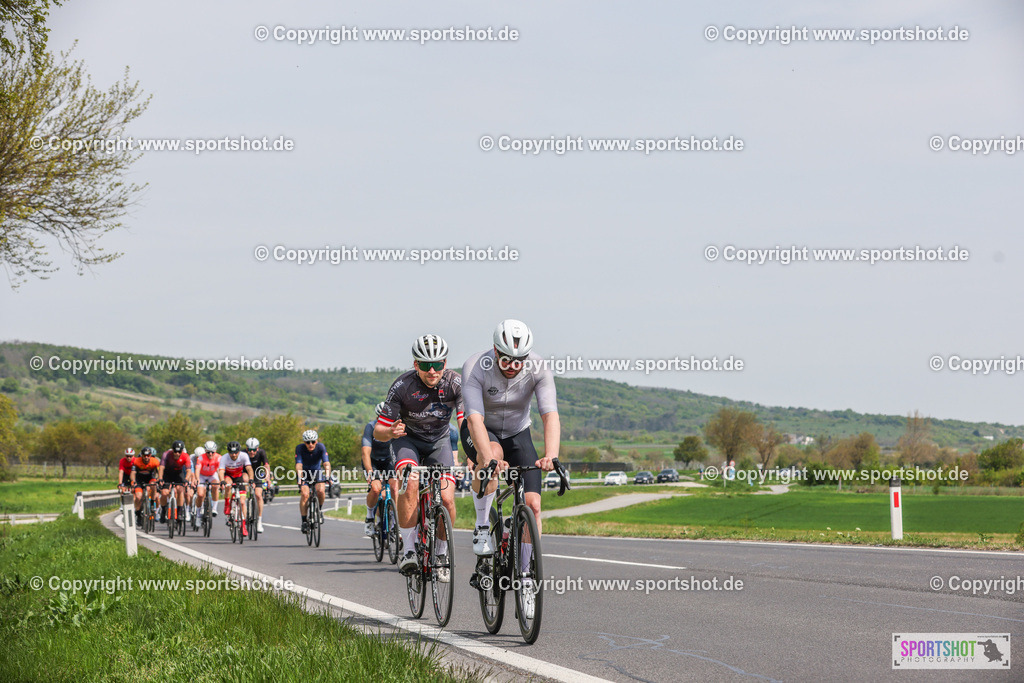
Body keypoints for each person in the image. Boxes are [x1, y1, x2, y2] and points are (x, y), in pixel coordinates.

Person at [462, 319, 560, 619]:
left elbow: (550, 415)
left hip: (519, 432)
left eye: (519, 360)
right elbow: (475, 420)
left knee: (533, 504)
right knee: (490, 455)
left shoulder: (539, 368)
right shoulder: (475, 366)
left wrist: (551, 455)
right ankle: (482, 526)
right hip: (482, 431)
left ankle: (527, 579)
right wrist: (487, 457)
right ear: (495, 350)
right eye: (506, 359)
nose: (512, 365)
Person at [374, 334, 463, 581]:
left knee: (446, 497)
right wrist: (390, 431)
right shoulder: (402, 386)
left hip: (439, 442)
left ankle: (443, 554)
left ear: (445, 362)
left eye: (438, 364)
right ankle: (409, 549)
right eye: (425, 365)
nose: (432, 370)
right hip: (408, 441)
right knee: (410, 481)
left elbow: (466, 422)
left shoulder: (456, 384)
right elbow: (378, 432)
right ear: (416, 365)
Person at [362, 403, 397, 538]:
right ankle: (370, 517)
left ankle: (394, 522)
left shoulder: (394, 428)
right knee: (376, 489)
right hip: (373, 462)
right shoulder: (371, 427)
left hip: (388, 461)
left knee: (394, 488)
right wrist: (370, 472)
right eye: (381, 417)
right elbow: (365, 452)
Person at [295, 429, 330, 534]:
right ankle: (304, 521)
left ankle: (319, 510)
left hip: (317, 472)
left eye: (313, 442)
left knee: (321, 491)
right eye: (308, 442)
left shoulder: (321, 447)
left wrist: (327, 476)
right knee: (305, 494)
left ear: (316, 441)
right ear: (304, 443)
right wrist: (300, 477)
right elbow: (298, 465)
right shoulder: (300, 448)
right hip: (304, 473)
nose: (310, 444)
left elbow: (326, 463)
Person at [218, 441, 254, 535]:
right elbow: (221, 471)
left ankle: (243, 525)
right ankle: (227, 503)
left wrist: (251, 479)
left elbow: (249, 468)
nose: (233, 455)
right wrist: (222, 480)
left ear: (239, 451)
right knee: (228, 484)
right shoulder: (224, 457)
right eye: (231, 453)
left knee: (242, 502)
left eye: (235, 453)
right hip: (228, 475)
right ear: (228, 452)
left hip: (238, 476)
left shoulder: (244, 456)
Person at [158, 440, 193, 525]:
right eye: (175, 451)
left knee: (180, 490)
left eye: (179, 451)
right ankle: (163, 510)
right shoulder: (166, 454)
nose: (177, 453)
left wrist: (186, 479)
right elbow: (161, 468)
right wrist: (160, 478)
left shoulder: (185, 456)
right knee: (164, 493)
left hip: (178, 474)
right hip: (167, 474)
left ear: (182, 450)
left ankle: (180, 512)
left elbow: (188, 470)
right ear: (172, 450)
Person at [130, 447, 161, 525]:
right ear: (142, 455)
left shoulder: (155, 461)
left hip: (150, 478)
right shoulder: (136, 461)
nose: (146, 457)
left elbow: (159, 472)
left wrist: (159, 479)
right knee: (138, 497)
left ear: (150, 455)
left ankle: (152, 503)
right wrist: (133, 481)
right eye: (144, 455)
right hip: (139, 480)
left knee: (153, 486)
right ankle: (138, 513)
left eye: (148, 455)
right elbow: (133, 473)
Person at [245, 437, 270, 533]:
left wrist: (267, 478)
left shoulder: (261, 453)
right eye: (249, 450)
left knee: (258, 495)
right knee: (245, 478)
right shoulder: (243, 453)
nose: (251, 452)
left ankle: (259, 520)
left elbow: (266, 465)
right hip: (246, 473)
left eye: (254, 450)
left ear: (257, 449)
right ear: (246, 449)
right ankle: (246, 497)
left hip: (257, 474)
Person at [194, 445, 221, 521]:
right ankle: (198, 514)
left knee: (215, 486)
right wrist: (197, 478)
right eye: (208, 452)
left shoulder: (218, 457)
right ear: (205, 451)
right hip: (202, 475)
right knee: (200, 494)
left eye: (212, 452)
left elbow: (219, 470)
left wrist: (220, 480)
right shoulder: (201, 457)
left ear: (215, 451)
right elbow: (197, 469)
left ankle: (214, 508)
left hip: (212, 475)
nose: (210, 454)